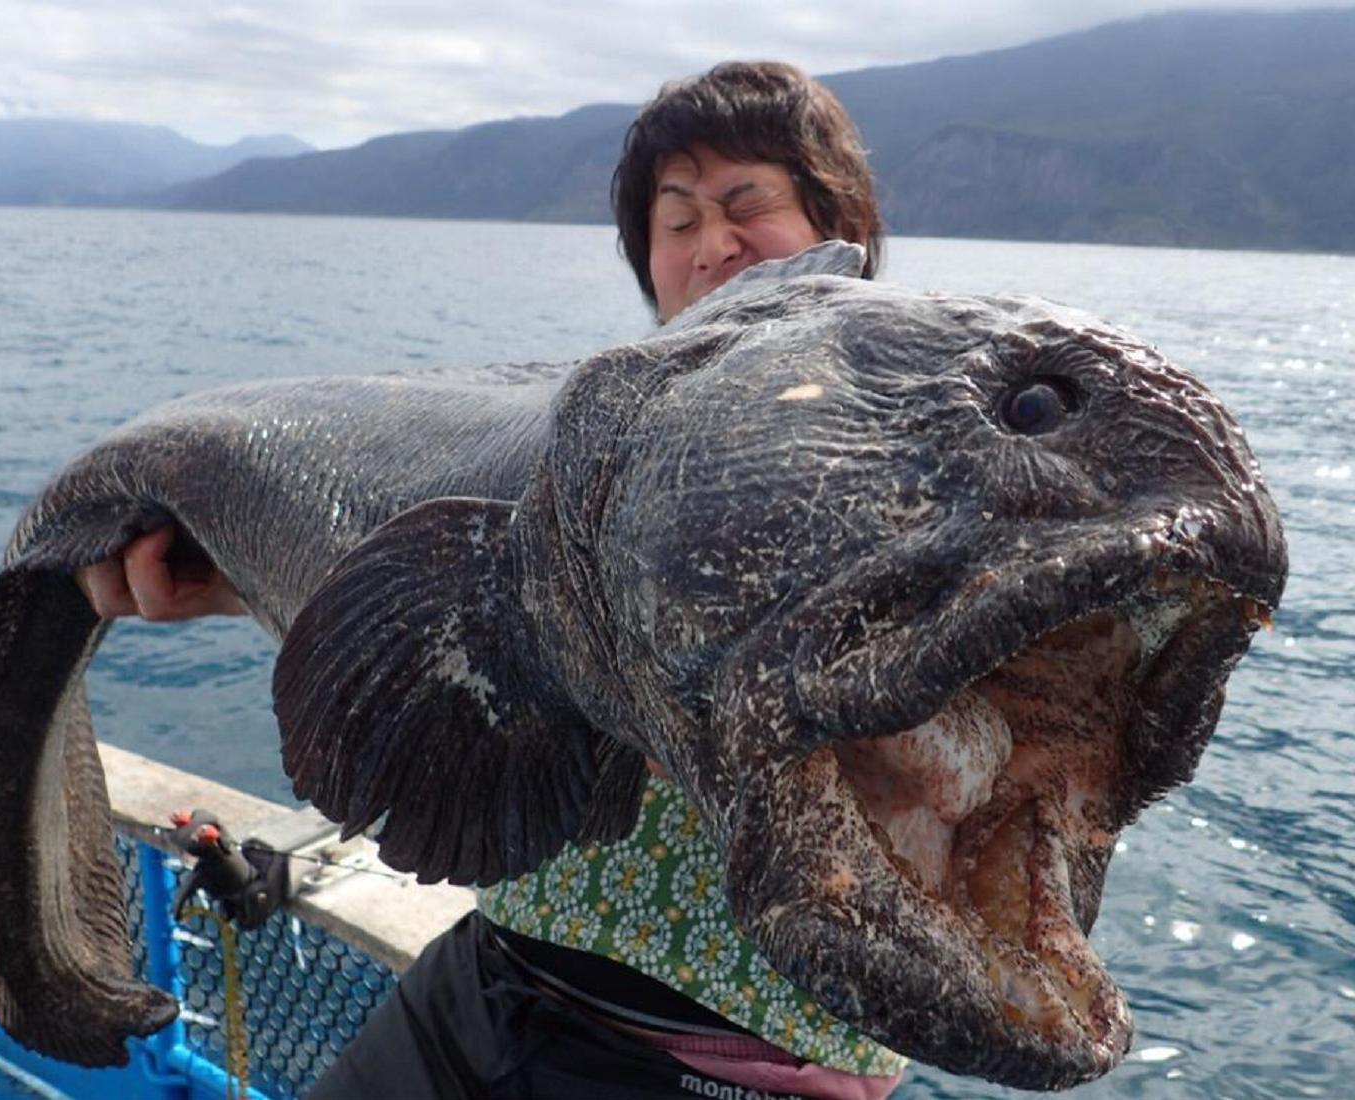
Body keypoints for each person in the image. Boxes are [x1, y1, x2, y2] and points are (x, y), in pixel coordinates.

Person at [79, 61, 899, 1099]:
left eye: (749, 206)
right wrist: (241, 578)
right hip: (490, 976)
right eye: (676, 218)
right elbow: (492, 636)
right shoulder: (595, 453)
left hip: (719, 1063)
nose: (711, 247)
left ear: (844, 225)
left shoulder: (909, 457)